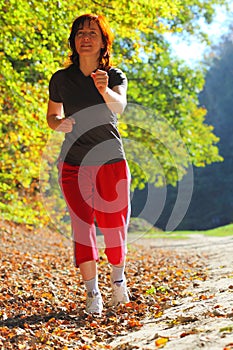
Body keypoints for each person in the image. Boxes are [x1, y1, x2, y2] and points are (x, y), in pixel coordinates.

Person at [46, 13, 131, 316]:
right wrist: (60, 123)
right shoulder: (61, 79)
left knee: (114, 227)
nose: (85, 37)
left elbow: (119, 107)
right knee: (83, 228)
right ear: (73, 40)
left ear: (103, 41)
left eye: (92, 33)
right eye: (80, 33)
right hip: (74, 163)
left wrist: (103, 89)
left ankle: (118, 283)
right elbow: (52, 116)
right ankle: (92, 294)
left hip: (111, 161)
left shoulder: (115, 75)